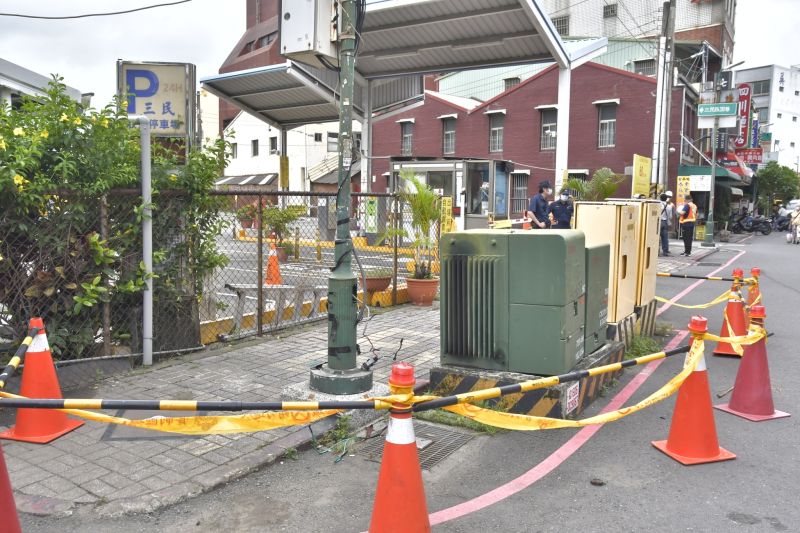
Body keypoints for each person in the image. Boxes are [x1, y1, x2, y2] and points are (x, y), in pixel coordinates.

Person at [659, 191, 675, 256]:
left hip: (659, 222)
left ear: (660, 198)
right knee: (665, 238)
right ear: (666, 199)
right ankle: (665, 251)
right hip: (665, 222)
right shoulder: (669, 206)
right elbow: (670, 216)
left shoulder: (658, 205)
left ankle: (657, 251)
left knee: (657, 238)